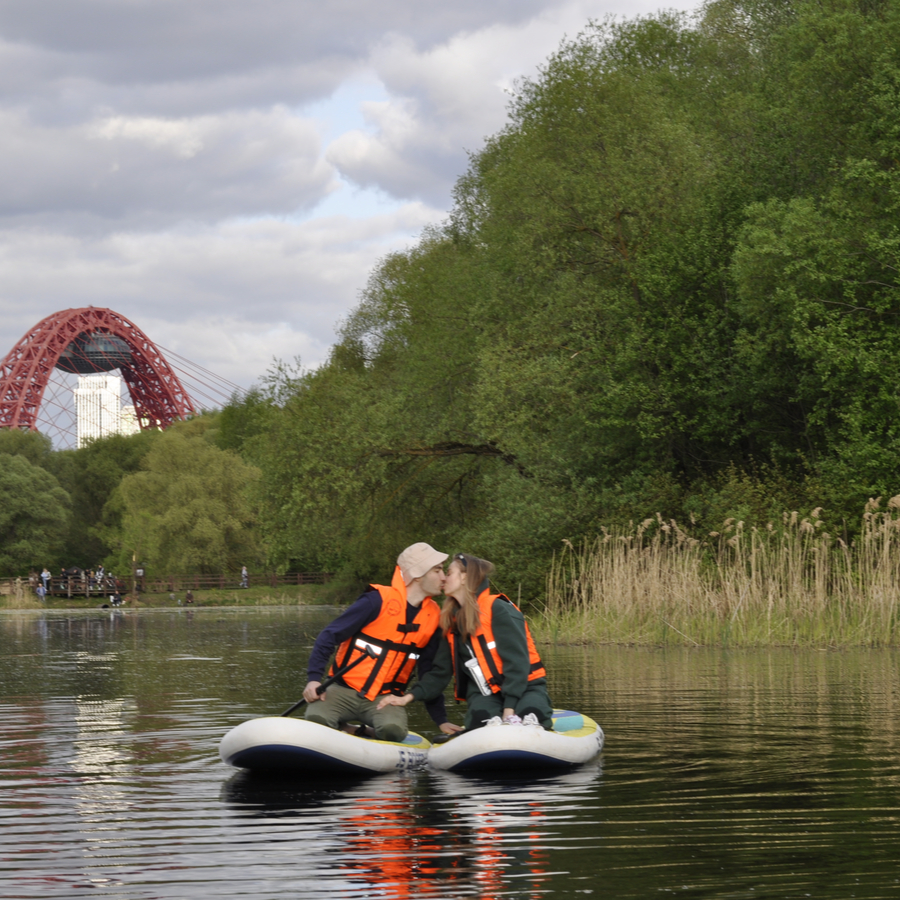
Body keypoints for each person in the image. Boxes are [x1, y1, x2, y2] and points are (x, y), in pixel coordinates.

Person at [302, 542, 463, 742]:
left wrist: (441, 720)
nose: (443, 577)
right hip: (343, 690)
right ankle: (343, 726)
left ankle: (360, 732)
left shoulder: (434, 618)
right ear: (418, 575)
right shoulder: (375, 601)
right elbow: (329, 636)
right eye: (437, 570)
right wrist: (314, 679)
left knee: (393, 731)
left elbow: (427, 671)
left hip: (385, 698)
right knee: (316, 718)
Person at [378, 553, 553, 730]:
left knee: (531, 714)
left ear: (464, 577)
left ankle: (530, 713)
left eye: (449, 572)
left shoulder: (498, 609)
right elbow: (439, 673)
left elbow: (517, 663)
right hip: (486, 693)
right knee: (480, 719)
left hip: (524, 687)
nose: (444, 578)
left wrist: (509, 710)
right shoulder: (450, 623)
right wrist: (408, 697)